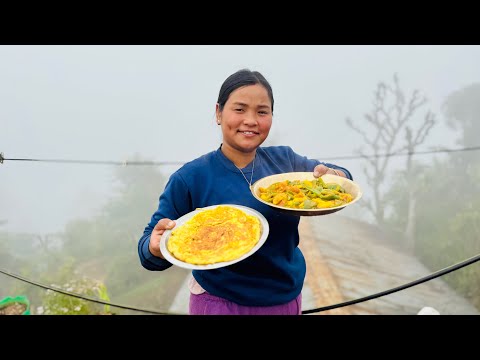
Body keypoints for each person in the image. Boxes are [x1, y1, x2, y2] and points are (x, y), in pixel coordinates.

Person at [138, 68, 353, 315]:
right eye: (239, 109)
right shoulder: (190, 178)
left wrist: (337, 176)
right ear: (218, 113)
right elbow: (149, 250)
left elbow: (340, 177)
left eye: (262, 112)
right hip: (217, 303)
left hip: (284, 300)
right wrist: (154, 247)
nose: (251, 120)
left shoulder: (285, 162)